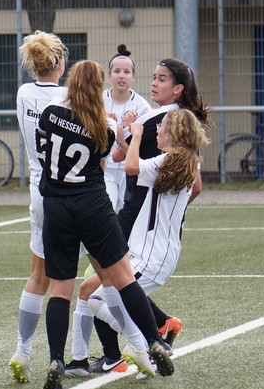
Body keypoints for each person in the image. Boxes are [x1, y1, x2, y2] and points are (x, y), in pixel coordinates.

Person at [38, 60, 174, 389]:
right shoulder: (104, 127)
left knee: (60, 290)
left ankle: (57, 358)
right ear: (99, 87)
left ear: (71, 83)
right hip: (93, 205)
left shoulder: (49, 114)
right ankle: (154, 341)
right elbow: (102, 161)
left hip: (56, 205)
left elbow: (46, 150)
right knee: (123, 277)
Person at [78, 58, 210, 372]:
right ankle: (158, 329)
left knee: (99, 287)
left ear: (178, 88)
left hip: (136, 220)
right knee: (102, 283)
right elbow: (122, 154)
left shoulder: (170, 118)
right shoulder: (160, 117)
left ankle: (131, 348)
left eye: (161, 79)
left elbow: (124, 161)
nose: (154, 83)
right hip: (141, 220)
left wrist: (159, 215)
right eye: (153, 77)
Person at [9, 31, 69, 383]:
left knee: (39, 276)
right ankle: (138, 343)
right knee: (108, 272)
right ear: (60, 63)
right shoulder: (69, 96)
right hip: (74, 191)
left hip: (39, 191)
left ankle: (23, 350)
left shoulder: (23, 93)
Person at [103, 45, 152, 212]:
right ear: (109, 75)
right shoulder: (99, 101)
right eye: (116, 71)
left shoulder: (142, 106)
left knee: (127, 212)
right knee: (105, 209)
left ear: (133, 76)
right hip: (104, 169)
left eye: (126, 72)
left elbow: (146, 142)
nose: (121, 76)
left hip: (129, 171)